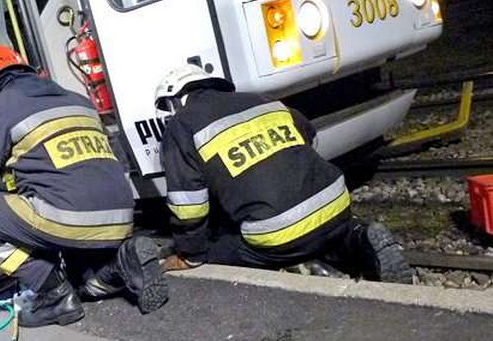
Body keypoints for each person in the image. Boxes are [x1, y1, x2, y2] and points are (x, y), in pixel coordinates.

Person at [0, 46, 168, 327]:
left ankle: (53, 294)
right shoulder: (78, 100)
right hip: (121, 213)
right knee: (86, 285)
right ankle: (121, 262)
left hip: (67, 217)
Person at [154, 64, 412, 282]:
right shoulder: (262, 99)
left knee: (219, 251)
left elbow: (188, 207)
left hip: (277, 234)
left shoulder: (181, 125)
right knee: (320, 233)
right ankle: (360, 238)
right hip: (337, 204)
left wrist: (191, 255)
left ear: (174, 100)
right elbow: (307, 134)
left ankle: (293, 265)